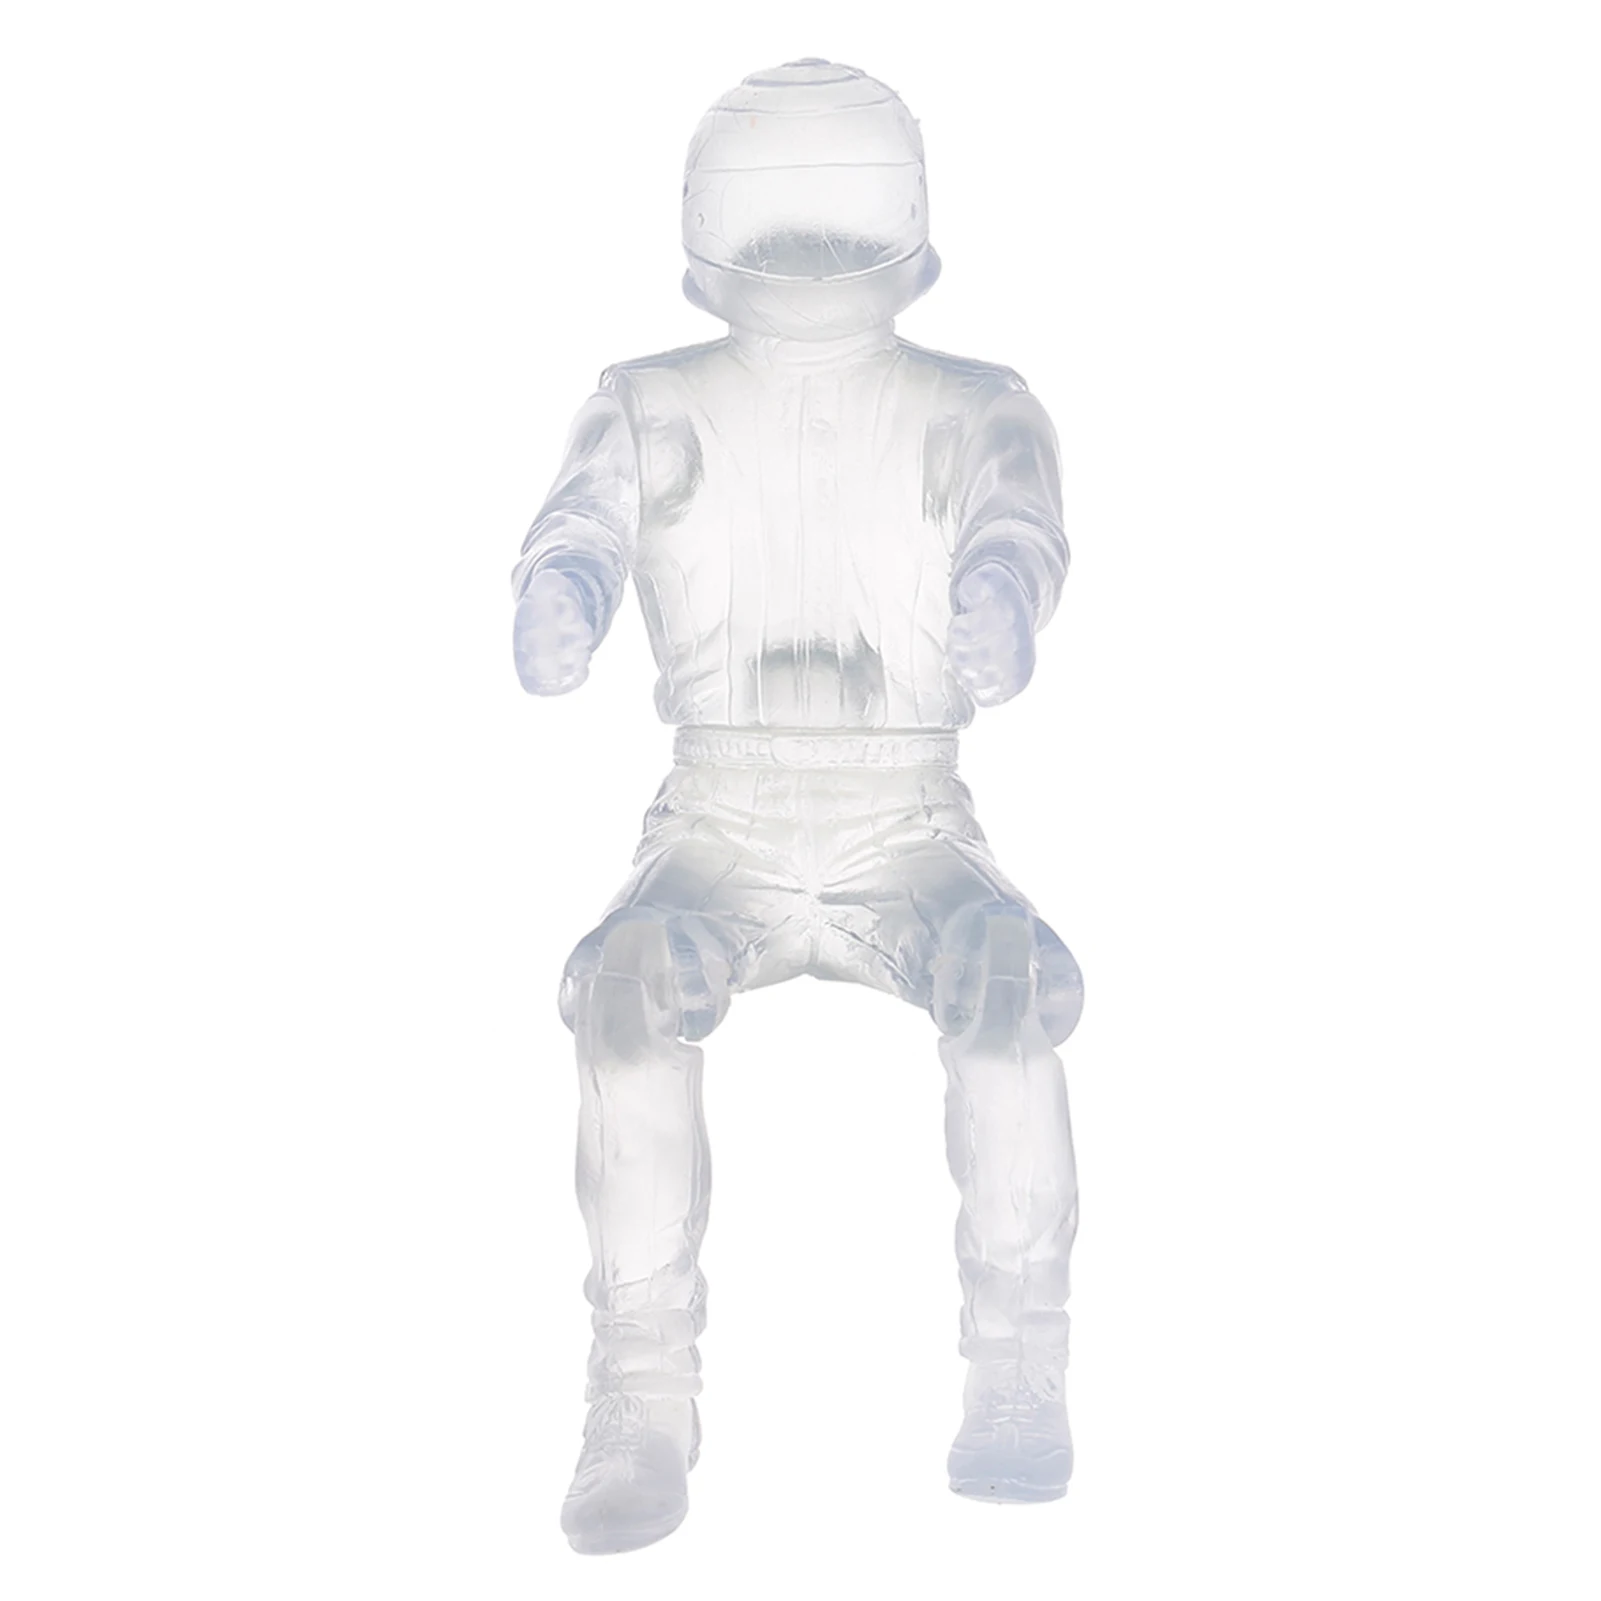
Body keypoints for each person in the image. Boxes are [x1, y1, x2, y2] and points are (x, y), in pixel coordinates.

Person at [513, 60, 1083, 1555]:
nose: (809, 273)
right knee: (625, 995)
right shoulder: (649, 406)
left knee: (1003, 988)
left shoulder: (973, 408)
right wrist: (563, 588)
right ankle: (640, 1394)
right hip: (721, 814)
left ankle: (1018, 1365)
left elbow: (1019, 520)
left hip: (909, 812)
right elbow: (580, 524)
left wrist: (1003, 597)